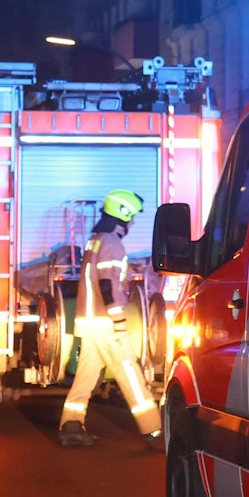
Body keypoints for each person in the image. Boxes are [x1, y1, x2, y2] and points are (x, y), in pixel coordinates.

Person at [59, 189, 161, 448]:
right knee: (130, 373)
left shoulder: (96, 240)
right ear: (122, 215)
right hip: (106, 324)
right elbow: (107, 285)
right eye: (132, 217)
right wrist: (118, 320)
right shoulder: (113, 244)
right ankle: (154, 430)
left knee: (86, 376)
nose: (132, 222)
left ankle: (71, 425)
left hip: (90, 322)